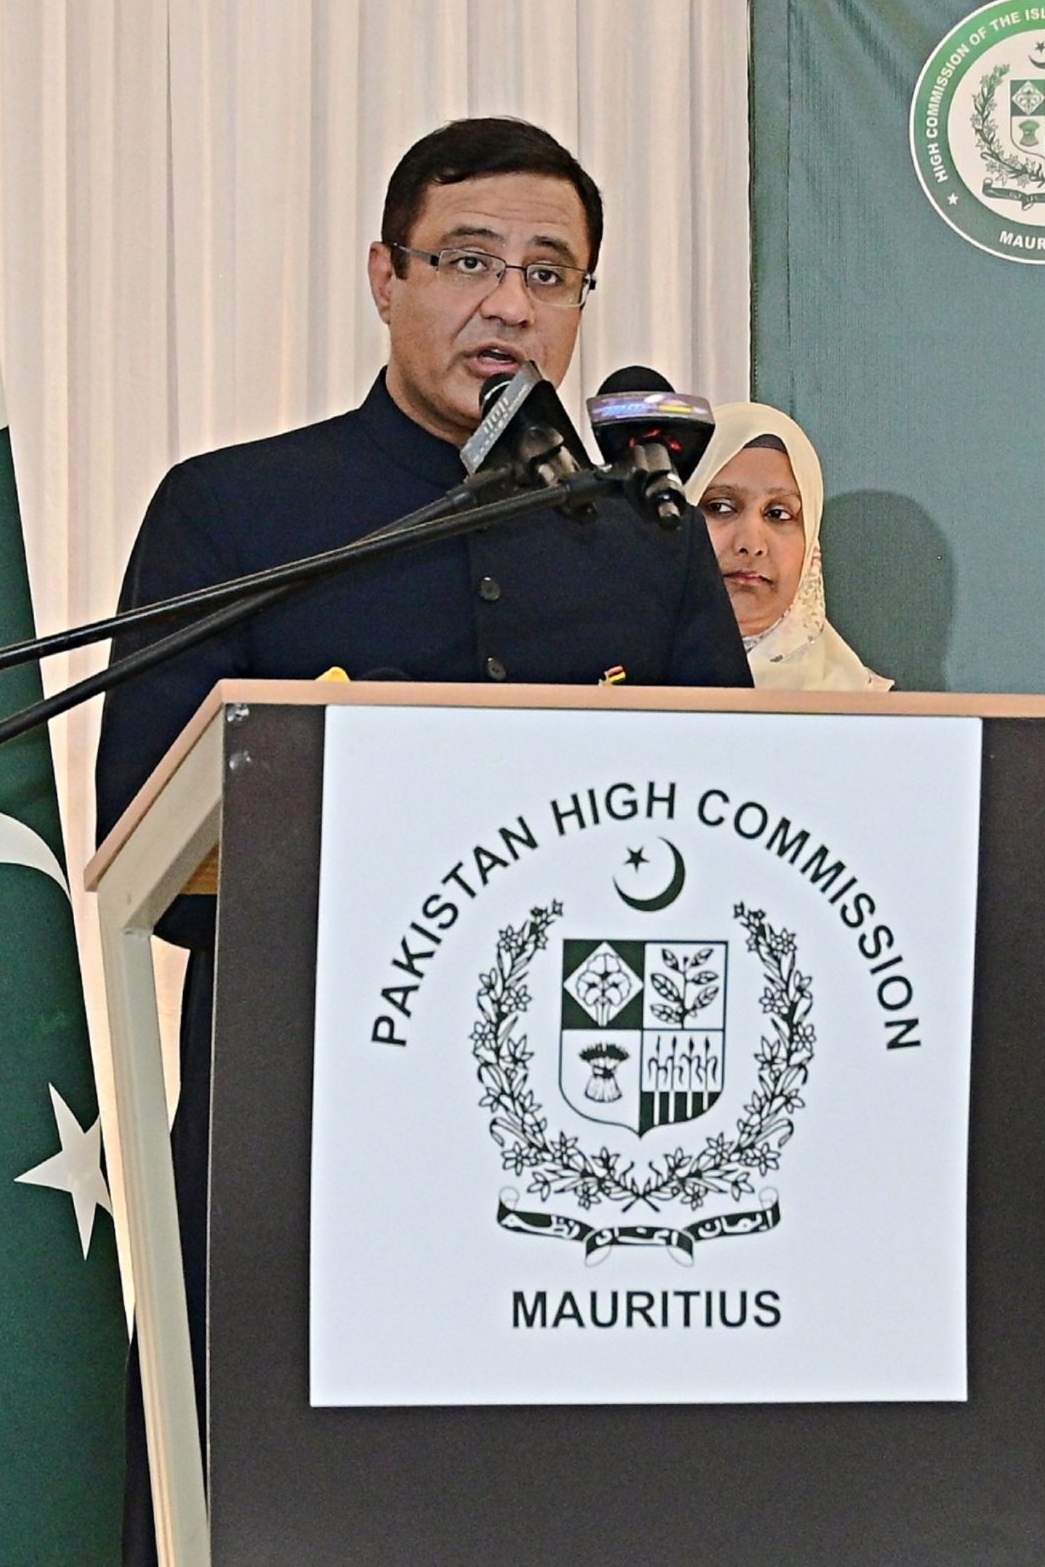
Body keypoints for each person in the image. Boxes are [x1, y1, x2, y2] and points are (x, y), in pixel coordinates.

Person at [93, 117, 750, 1562]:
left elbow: (732, 839)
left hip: (585, 1161)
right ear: (385, 276)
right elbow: (143, 843)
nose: (509, 304)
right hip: (299, 1131)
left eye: (550, 274)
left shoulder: (643, 533)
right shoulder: (242, 509)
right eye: (467, 261)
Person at [686, 402, 893, 692]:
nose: (751, 545)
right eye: (720, 507)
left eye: (778, 514)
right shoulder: (624, 686)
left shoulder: (866, 709)